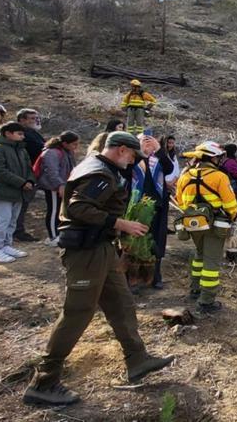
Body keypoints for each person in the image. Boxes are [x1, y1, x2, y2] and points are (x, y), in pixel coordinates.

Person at [23, 132, 174, 406]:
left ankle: (136, 358)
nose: (133, 163)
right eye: (132, 156)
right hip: (85, 252)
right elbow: (78, 207)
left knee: (121, 303)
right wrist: (121, 224)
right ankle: (44, 381)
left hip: (101, 248)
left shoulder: (102, 169)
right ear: (119, 150)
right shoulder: (99, 173)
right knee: (78, 313)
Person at [176, 141, 237, 314]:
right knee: (211, 260)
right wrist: (232, 218)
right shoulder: (219, 177)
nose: (220, 160)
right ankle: (206, 300)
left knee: (199, 255)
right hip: (215, 225)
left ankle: (195, 289)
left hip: (193, 224)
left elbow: (181, 202)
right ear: (212, 158)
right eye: (218, 157)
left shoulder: (185, 176)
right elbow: (231, 205)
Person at [0, 122, 36, 263]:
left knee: (12, 220)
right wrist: (22, 182)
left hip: (18, 191)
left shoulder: (21, 149)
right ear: (8, 133)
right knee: (2, 220)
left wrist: (30, 181)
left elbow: (29, 168)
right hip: (2, 191)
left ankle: (6, 245)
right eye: (19, 134)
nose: (22, 136)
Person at [132, 136, 174, 289]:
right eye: (145, 142)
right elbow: (127, 171)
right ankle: (134, 278)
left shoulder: (157, 159)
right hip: (137, 206)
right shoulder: (134, 158)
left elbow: (168, 169)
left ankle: (155, 277)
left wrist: (159, 150)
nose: (148, 146)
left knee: (157, 242)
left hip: (158, 205)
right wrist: (140, 152)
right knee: (136, 242)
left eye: (151, 143)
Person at [35, 131, 79, 247]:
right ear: (65, 143)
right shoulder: (52, 153)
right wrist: (60, 185)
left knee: (60, 210)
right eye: (74, 144)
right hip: (53, 187)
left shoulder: (67, 152)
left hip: (63, 185)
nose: (76, 147)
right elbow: (52, 172)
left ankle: (59, 233)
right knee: (53, 210)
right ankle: (53, 236)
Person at [14, 108, 44, 243]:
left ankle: (17, 230)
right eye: (31, 118)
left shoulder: (33, 133)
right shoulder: (23, 135)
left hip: (32, 174)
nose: (35, 120)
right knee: (20, 204)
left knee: (23, 204)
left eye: (36, 117)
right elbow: (39, 149)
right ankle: (17, 231)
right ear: (22, 120)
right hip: (24, 174)